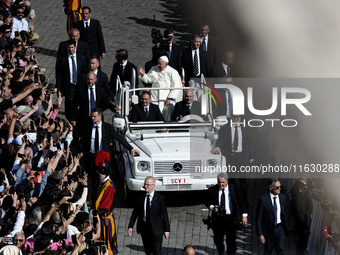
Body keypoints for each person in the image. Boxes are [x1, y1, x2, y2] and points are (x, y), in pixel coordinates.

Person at [81, 107, 140, 197]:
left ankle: (105, 196)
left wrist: (131, 148)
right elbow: (84, 142)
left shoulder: (107, 127)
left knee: (104, 178)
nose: (92, 118)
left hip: (104, 158)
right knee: (93, 179)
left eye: (94, 116)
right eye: (91, 116)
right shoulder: (88, 128)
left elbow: (119, 138)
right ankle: (96, 197)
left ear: (100, 116)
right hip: (92, 158)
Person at [205, 173, 247, 255]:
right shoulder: (213, 190)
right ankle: (221, 251)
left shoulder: (234, 188)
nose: (221, 184)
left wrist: (244, 215)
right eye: (219, 182)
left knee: (231, 239)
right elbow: (206, 200)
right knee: (218, 239)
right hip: (218, 219)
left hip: (231, 218)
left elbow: (241, 201)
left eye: (223, 182)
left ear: (227, 181)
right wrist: (212, 207)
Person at [128, 176, 170, 255]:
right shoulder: (141, 197)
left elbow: (164, 215)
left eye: (147, 185)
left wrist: (166, 230)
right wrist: (130, 226)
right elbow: (135, 212)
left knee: (157, 251)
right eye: (145, 184)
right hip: (144, 229)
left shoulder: (160, 198)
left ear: (153, 186)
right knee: (148, 251)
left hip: (157, 229)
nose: (145, 186)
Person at [90, 152, 118, 255]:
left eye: (101, 173)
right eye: (99, 173)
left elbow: (106, 205)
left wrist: (95, 211)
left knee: (106, 239)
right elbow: (94, 196)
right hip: (97, 216)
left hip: (104, 217)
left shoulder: (109, 186)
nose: (99, 174)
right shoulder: (100, 182)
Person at [139, 55, 182, 120]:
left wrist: (170, 98)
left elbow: (176, 87)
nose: (158, 65)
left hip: (166, 98)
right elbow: (148, 80)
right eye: (158, 63)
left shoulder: (172, 72)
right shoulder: (154, 68)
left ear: (166, 64)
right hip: (154, 97)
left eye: (160, 64)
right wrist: (143, 74)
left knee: (168, 109)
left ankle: (166, 126)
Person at [56, 39, 88, 121]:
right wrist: (59, 88)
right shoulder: (63, 60)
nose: (71, 49)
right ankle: (70, 121)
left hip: (79, 85)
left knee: (80, 104)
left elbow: (85, 72)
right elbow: (60, 75)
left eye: (72, 47)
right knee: (69, 105)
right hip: (69, 86)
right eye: (69, 47)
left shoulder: (82, 58)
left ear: (75, 47)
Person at [256, 178, 287, 255]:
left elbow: (285, 213)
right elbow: (258, 218)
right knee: (268, 251)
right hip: (268, 230)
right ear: (270, 188)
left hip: (280, 229)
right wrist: (260, 234)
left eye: (280, 187)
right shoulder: (263, 200)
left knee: (280, 250)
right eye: (277, 187)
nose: (279, 189)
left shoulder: (283, 198)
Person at [290, 177, 313, 255]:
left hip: (302, 218)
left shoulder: (300, 186)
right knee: (302, 239)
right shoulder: (300, 188)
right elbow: (300, 206)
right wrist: (304, 221)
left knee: (302, 239)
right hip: (302, 218)